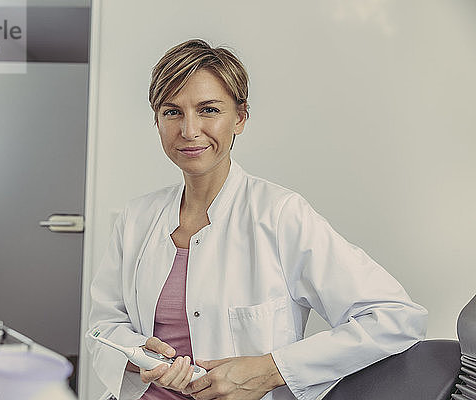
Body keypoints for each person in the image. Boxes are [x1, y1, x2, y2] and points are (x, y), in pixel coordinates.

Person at [87, 39, 427, 400]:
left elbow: (395, 317)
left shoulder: (280, 215)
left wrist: (269, 369)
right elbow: (103, 326)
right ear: (157, 121)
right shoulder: (136, 218)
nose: (189, 130)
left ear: (240, 118)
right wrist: (139, 355)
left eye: (208, 110)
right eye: (172, 112)